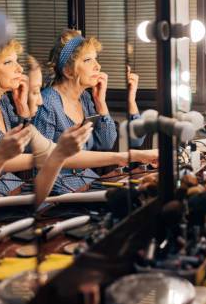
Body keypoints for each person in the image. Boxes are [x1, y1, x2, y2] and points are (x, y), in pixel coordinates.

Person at [0, 41, 157, 197]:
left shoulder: (4, 103)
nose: (19, 69)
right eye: (8, 62)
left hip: (22, 191)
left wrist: (102, 103)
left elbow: (105, 142)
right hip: (3, 197)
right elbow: (34, 157)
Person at [34, 29, 145, 193]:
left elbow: (106, 142)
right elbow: (43, 162)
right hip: (57, 192)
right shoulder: (48, 103)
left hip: (85, 182)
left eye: (96, 59)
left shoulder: (85, 98)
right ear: (68, 70)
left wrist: (101, 103)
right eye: (88, 60)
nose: (98, 66)